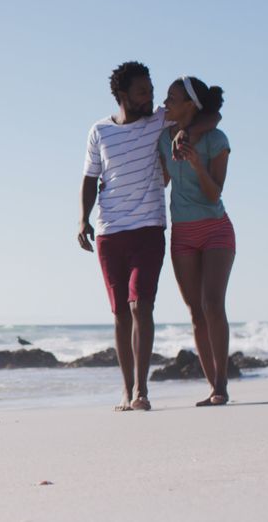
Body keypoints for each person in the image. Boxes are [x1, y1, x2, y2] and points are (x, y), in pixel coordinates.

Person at [78, 62, 218, 412]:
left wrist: (189, 133)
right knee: (121, 314)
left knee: (141, 304)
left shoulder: (158, 121)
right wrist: (82, 219)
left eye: (152, 91)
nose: (151, 98)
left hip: (149, 227)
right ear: (122, 95)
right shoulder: (99, 131)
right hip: (111, 232)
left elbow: (211, 116)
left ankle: (142, 391)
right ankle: (126, 391)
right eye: (143, 92)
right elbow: (89, 179)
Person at [158, 76, 234, 406]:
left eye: (172, 98)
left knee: (213, 304)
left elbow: (214, 192)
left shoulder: (216, 139)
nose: (165, 103)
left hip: (216, 227)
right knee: (195, 313)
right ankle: (211, 386)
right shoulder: (163, 138)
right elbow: (161, 180)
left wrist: (194, 162)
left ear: (190, 105)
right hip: (182, 233)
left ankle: (222, 386)